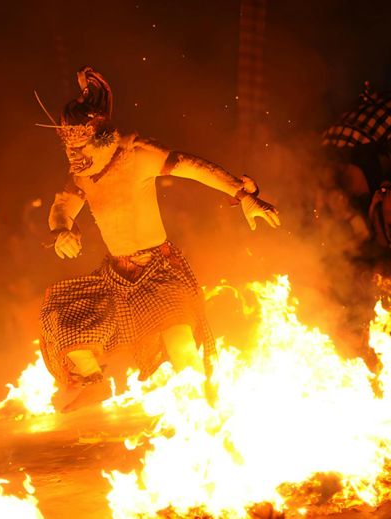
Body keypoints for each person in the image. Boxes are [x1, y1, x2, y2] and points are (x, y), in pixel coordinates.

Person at [39, 67, 280, 411]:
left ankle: (205, 412)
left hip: (159, 272)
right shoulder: (82, 174)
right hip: (116, 277)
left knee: (180, 343)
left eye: (80, 148)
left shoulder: (137, 154)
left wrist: (243, 196)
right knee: (62, 314)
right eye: (70, 150)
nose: (74, 158)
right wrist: (61, 229)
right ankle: (93, 383)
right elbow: (62, 206)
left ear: (101, 136)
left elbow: (193, 166)